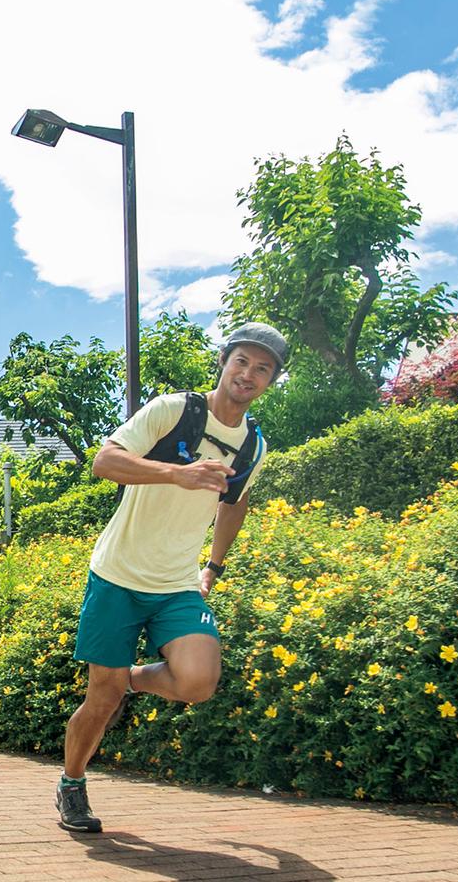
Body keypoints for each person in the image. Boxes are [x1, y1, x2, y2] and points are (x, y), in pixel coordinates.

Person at [54, 323, 287, 834]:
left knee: (199, 681)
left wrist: (213, 567)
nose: (248, 374)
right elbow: (104, 461)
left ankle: (133, 679)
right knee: (102, 698)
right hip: (117, 574)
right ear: (224, 362)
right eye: (242, 361)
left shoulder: (252, 446)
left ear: (270, 381)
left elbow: (235, 504)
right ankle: (72, 784)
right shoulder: (173, 410)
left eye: (262, 368)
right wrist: (175, 473)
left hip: (177, 582)